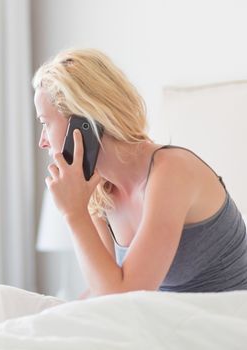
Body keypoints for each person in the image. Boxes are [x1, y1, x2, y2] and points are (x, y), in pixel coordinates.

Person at [32, 48, 247, 298]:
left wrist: (73, 213)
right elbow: (101, 290)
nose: (42, 141)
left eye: (45, 123)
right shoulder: (100, 193)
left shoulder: (172, 171)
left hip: (228, 326)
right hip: (170, 325)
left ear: (83, 122)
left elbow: (122, 295)